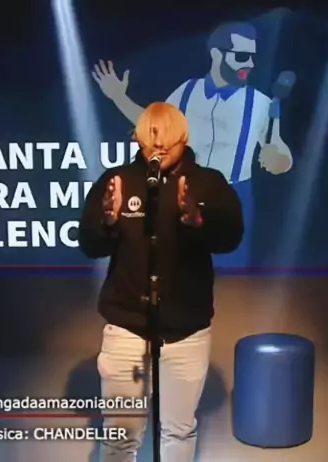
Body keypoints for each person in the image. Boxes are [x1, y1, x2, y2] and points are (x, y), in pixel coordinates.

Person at [78, 102, 243, 462]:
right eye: (151, 140)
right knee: (120, 435)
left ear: (184, 139)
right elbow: (89, 245)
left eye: (169, 140)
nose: (159, 147)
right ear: (138, 139)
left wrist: (198, 222)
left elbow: (231, 237)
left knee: (178, 430)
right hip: (127, 328)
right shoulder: (117, 181)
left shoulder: (208, 183)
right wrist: (108, 222)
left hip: (186, 332)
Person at [93, 21, 292, 268]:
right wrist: (118, 97)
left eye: (252, 57)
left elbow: (279, 151)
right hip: (185, 193)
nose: (249, 64)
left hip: (234, 195)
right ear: (217, 54)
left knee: (231, 270)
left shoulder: (261, 104)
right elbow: (152, 122)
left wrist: (279, 160)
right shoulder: (186, 92)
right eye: (242, 56)